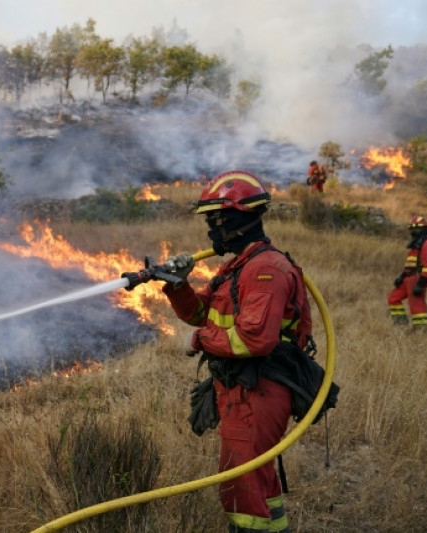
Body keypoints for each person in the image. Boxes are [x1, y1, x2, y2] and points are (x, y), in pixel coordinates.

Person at [124, 170, 313, 533]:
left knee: (241, 489)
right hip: (241, 387)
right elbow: (201, 314)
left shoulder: (265, 270)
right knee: (258, 480)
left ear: (235, 219)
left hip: (260, 390)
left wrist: (201, 342)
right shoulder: (236, 267)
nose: (210, 229)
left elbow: (254, 340)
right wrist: (178, 286)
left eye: (214, 219)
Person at [388, 216, 427, 330]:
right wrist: (401, 277)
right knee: (393, 298)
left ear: (425, 229)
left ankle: (420, 330)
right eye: (412, 229)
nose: (414, 231)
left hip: (418, 277)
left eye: (418, 228)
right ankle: (400, 324)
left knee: (416, 304)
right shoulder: (415, 245)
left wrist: (421, 284)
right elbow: (410, 265)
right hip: (408, 277)